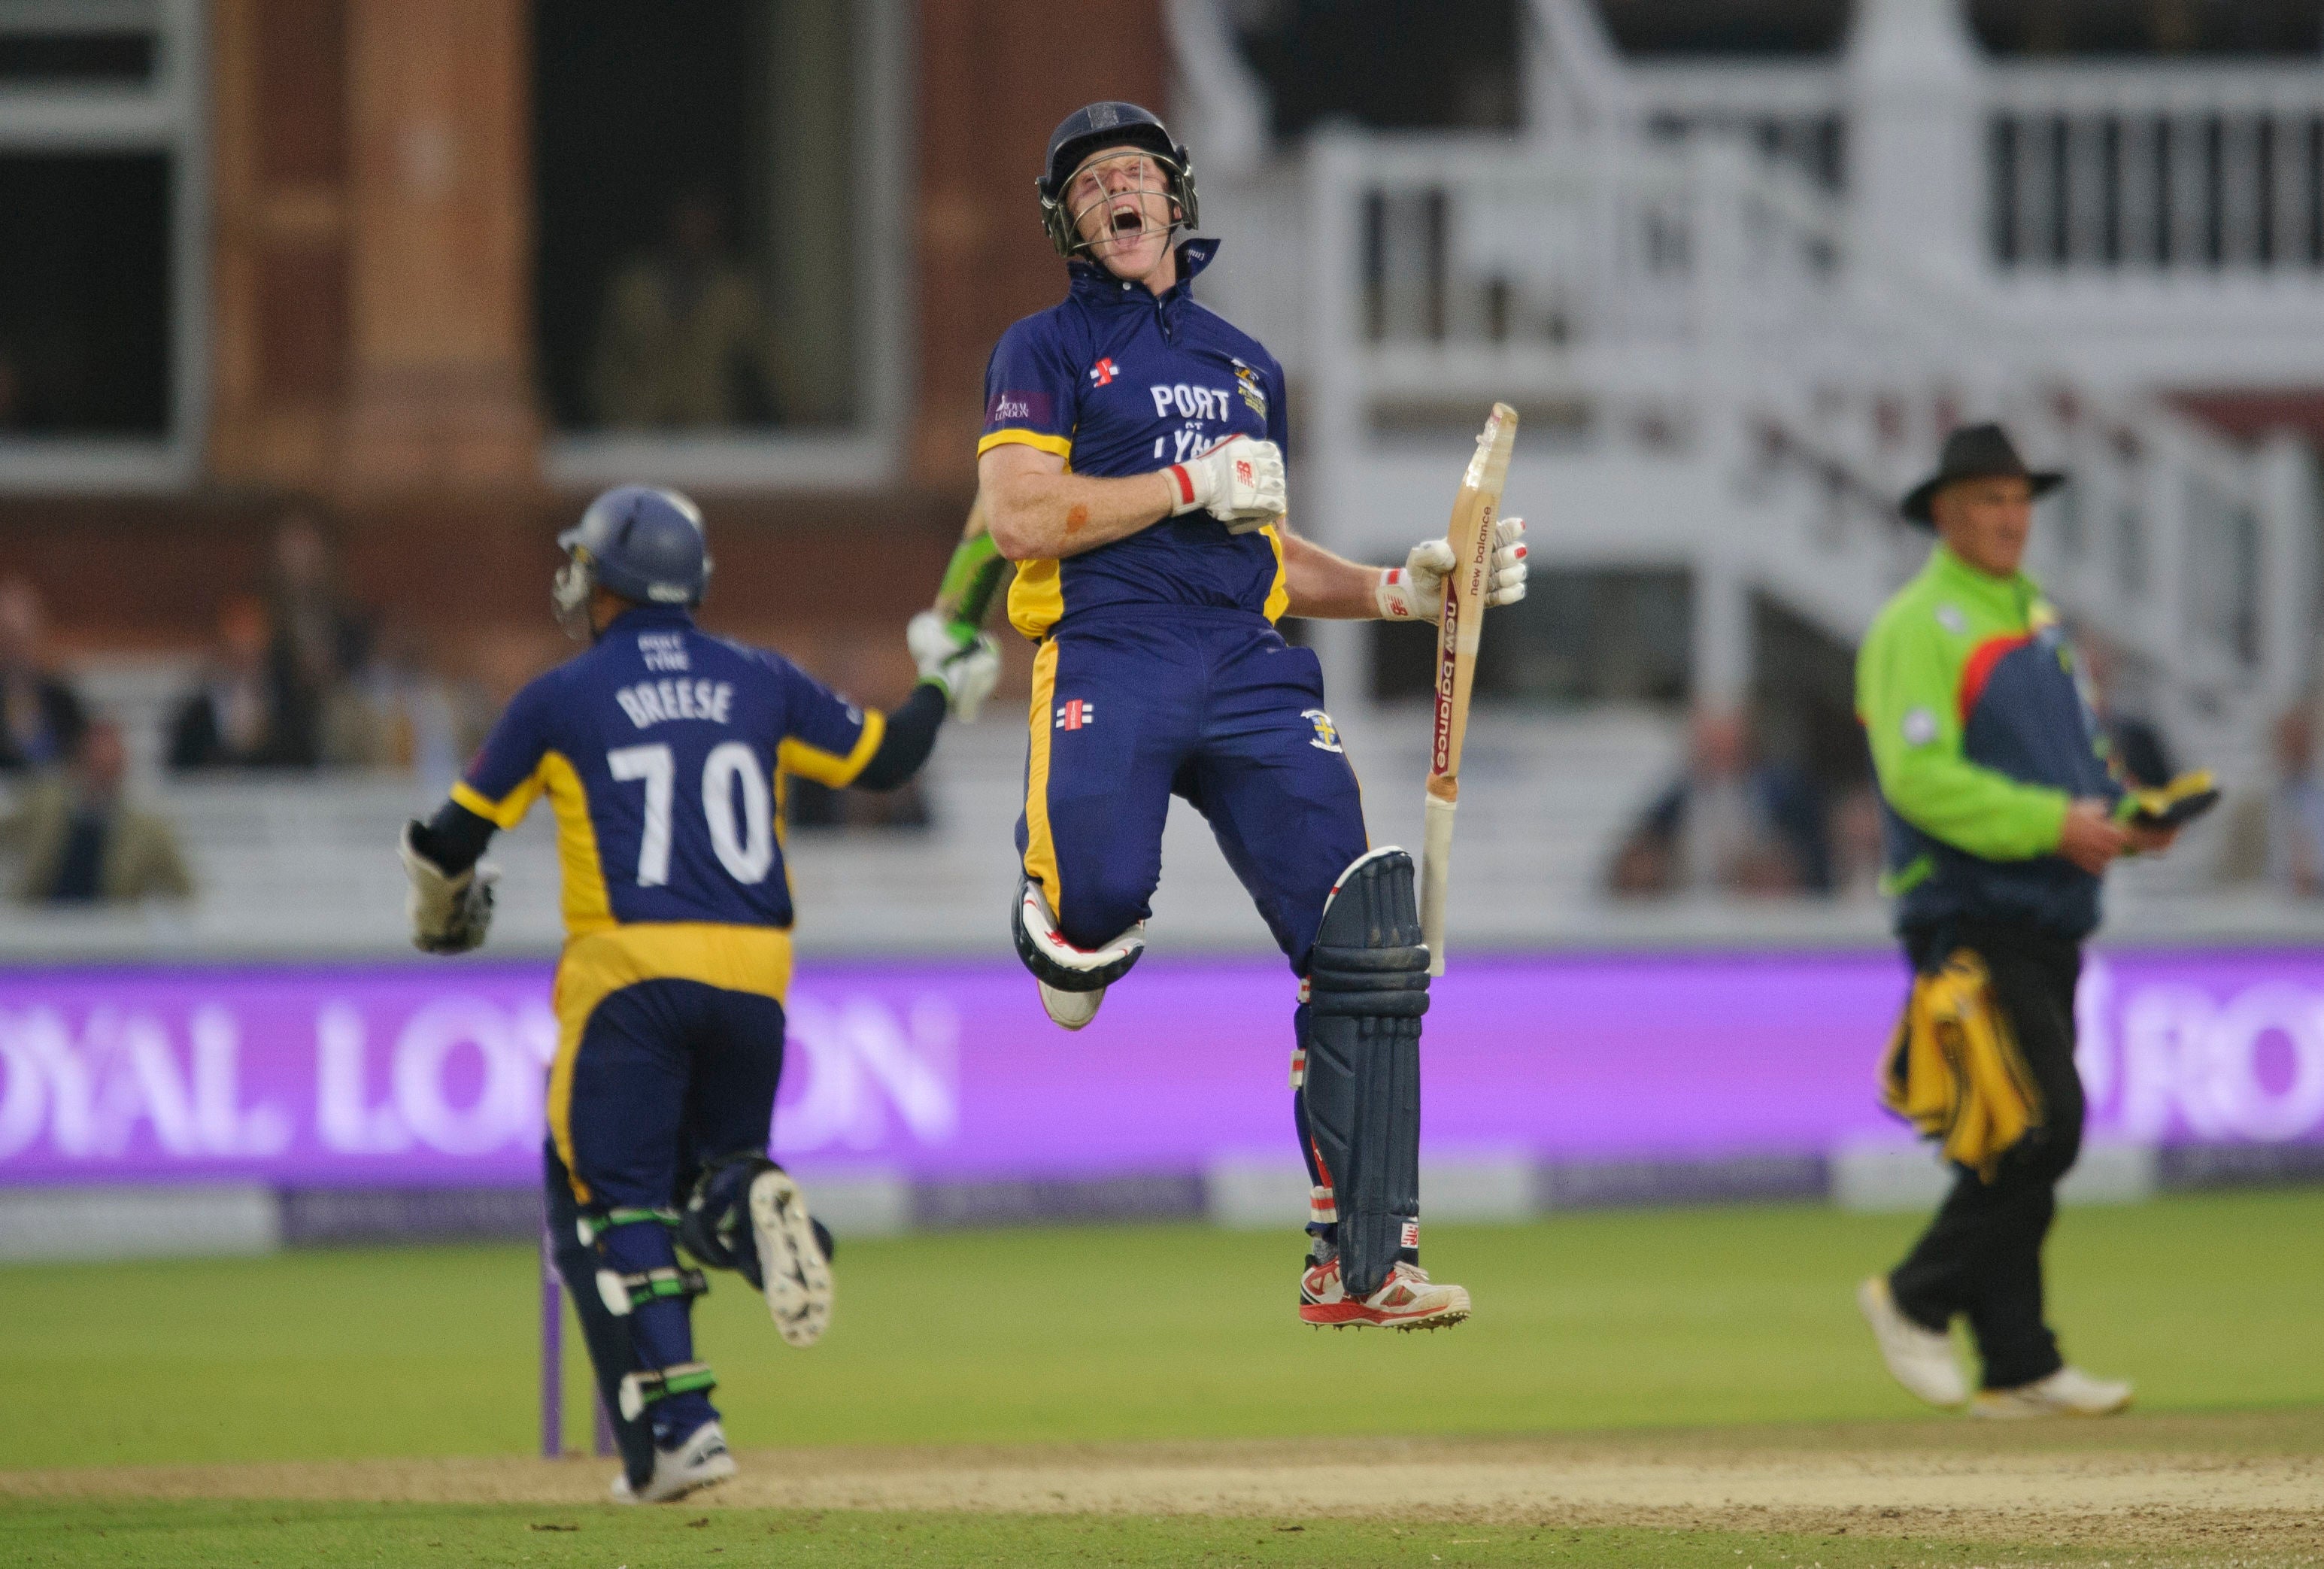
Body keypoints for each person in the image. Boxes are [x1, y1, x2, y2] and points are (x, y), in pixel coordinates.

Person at [975, 103, 1527, 1332]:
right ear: (1067, 220)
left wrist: (1403, 588)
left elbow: (1265, 552)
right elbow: (1021, 519)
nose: (1115, 193)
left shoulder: (1243, 366)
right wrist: (1184, 482)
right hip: (1111, 649)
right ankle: (1056, 914)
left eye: (1134, 175)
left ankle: (1361, 1260)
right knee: (1098, 910)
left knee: (1368, 935)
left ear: (1175, 200)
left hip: (1248, 661)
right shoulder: (1044, 347)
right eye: (1089, 183)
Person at [396, 486, 997, 1504]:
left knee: (612, 1199)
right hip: (755, 978)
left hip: (630, 973)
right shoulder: (760, 678)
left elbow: (446, 837)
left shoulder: (559, 697)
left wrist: (442, 914)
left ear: (611, 580)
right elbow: (891, 753)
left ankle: (682, 1429)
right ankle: (745, 1201)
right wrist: (944, 677)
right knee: (694, 1187)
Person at [1853, 423, 2177, 1419]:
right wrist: (2051, 822)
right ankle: (1913, 1295)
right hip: (1971, 909)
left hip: (2045, 908)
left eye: (2015, 500)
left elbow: (2074, 761)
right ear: (1942, 514)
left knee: (2009, 1135)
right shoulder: (1920, 624)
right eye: (1986, 500)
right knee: (2043, 1124)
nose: (2006, 517)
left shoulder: (2033, 617)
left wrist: (2123, 817)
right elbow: (1915, 779)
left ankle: (2017, 1356)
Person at [588, 191, 778, 429]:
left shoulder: (733, 293)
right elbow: (603, 371)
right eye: (689, 215)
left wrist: (809, 421)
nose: (696, 228)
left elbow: (776, 363)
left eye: (705, 217)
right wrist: (621, 422)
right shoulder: (634, 287)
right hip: (640, 440)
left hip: (710, 437)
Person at [1606, 708, 1829, 896]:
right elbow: (1640, 853)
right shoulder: (1674, 801)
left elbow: (1811, 858)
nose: (1719, 757)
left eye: (1728, 747)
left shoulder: (1784, 795)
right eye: (1711, 747)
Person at [0, 717, 192, 905]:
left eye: (110, 768)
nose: (102, 778)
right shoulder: (44, 806)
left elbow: (184, 889)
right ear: (80, 763)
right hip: (42, 921)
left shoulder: (148, 830)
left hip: (109, 929)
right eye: (96, 765)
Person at [0, 578, 87, 774]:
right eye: (7, 638)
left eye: (22, 638)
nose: (15, 649)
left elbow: (80, 753)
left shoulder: (62, 698)